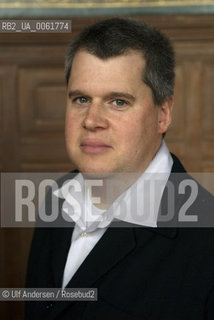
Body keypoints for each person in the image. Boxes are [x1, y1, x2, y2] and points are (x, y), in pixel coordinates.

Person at [25, 18, 214, 320]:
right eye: (81, 99)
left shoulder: (206, 241)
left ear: (163, 115)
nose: (91, 120)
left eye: (118, 102)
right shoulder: (57, 196)